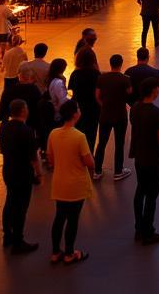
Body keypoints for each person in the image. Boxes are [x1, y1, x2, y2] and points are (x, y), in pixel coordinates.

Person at [46, 99, 94, 264]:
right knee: (73, 220)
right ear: (75, 114)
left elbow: (50, 158)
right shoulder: (79, 137)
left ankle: (54, 252)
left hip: (59, 183)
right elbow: (89, 162)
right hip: (76, 185)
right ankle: (69, 252)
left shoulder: (53, 134)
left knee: (59, 217)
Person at [129, 78, 159, 245]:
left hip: (140, 156)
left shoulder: (135, 109)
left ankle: (139, 228)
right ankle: (148, 230)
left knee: (140, 190)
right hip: (154, 158)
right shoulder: (157, 113)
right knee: (152, 195)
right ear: (153, 91)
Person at [0, 98, 42, 254]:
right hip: (23, 172)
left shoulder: (4, 128)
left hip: (8, 169)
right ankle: (18, 240)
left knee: (10, 201)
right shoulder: (26, 131)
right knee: (21, 206)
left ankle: (7, 236)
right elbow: (33, 157)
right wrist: (39, 173)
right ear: (23, 111)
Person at [94, 54, 132, 182]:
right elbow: (130, 92)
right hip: (120, 115)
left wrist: (103, 105)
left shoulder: (101, 78)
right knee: (119, 143)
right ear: (121, 64)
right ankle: (118, 171)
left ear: (110, 63)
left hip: (105, 114)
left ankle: (97, 170)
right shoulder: (125, 79)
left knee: (102, 143)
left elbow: (97, 95)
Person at [68, 46, 101, 153]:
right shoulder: (96, 74)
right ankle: (89, 158)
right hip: (93, 108)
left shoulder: (75, 74)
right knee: (91, 135)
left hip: (78, 108)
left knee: (78, 134)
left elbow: (71, 90)